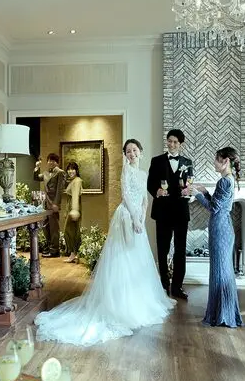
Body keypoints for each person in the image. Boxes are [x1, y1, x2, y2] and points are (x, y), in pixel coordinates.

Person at [34, 139, 175, 347]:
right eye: (128, 151)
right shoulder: (126, 170)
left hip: (138, 219)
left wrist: (142, 217)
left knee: (137, 259)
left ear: (141, 152)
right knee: (122, 258)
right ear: (125, 155)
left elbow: (145, 198)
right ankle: (119, 305)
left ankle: (138, 300)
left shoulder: (143, 173)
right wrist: (134, 217)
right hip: (126, 217)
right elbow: (126, 196)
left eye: (135, 150)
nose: (132, 154)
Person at [190, 147, 243, 328]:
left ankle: (221, 315)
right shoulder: (229, 180)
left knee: (220, 272)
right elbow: (216, 203)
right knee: (223, 271)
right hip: (223, 226)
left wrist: (196, 194)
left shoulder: (223, 181)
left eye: (216, 159)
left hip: (220, 229)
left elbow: (213, 208)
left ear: (225, 161)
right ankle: (224, 312)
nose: (214, 162)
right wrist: (205, 192)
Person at [147, 129, 193, 300]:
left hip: (181, 212)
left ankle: (177, 287)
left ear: (181, 144)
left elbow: (189, 183)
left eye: (175, 142)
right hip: (163, 212)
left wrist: (189, 190)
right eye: (170, 141)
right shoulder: (156, 161)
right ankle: (163, 285)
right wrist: (157, 191)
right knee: (162, 249)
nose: (172, 144)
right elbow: (150, 183)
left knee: (180, 250)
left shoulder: (187, 162)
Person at [34, 153, 65, 258]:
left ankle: (55, 251)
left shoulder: (60, 172)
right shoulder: (46, 173)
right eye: (49, 160)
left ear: (57, 162)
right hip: (45, 204)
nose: (50, 162)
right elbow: (36, 178)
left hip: (53, 204)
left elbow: (60, 190)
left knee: (54, 228)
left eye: (53, 160)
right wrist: (37, 167)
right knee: (45, 227)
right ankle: (49, 247)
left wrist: (56, 203)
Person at [63, 161, 83, 264]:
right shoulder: (73, 181)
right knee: (74, 232)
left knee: (68, 231)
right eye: (69, 169)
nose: (70, 171)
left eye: (73, 169)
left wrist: (74, 210)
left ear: (77, 170)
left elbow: (75, 196)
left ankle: (73, 253)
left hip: (73, 208)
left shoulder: (77, 181)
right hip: (70, 208)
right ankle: (75, 253)